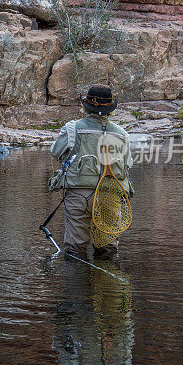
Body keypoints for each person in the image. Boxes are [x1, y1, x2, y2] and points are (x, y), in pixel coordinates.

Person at [49, 85, 133, 259]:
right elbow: (128, 165)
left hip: (79, 196)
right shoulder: (122, 134)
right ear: (111, 108)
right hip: (110, 194)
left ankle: (77, 282)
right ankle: (107, 282)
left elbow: (56, 152)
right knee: (107, 249)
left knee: (75, 249)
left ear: (86, 105)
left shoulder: (72, 128)